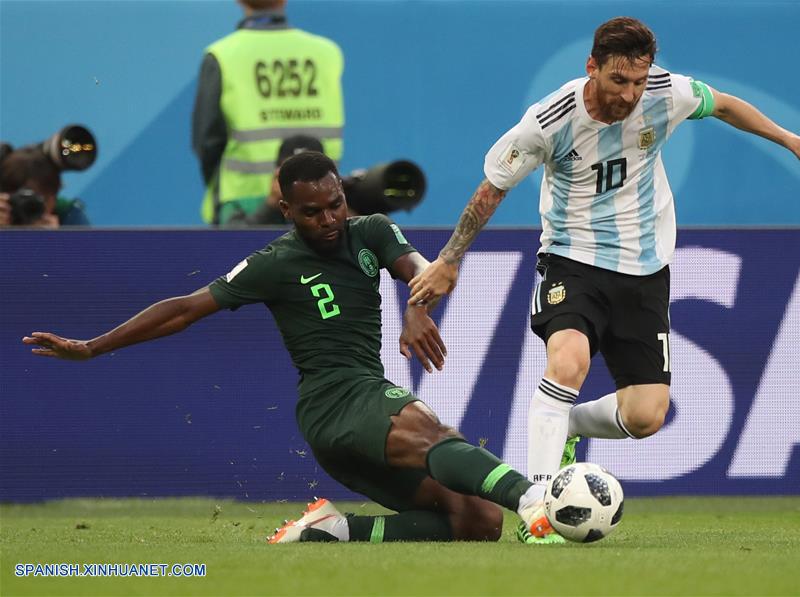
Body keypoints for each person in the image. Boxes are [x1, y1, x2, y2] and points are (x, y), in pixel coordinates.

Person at [407, 16, 800, 543]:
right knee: (568, 360)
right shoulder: (549, 120)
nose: (630, 93)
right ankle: (541, 508)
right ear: (591, 68)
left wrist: (791, 140)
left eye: (639, 81)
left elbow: (727, 105)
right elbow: (491, 190)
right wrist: (450, 259)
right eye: (619, 81)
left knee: (646, 416)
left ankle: (568, 426)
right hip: (572, 260)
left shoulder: (666, 92)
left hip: (644, 269)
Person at [23, 151, 562, 544]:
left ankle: (334, 530)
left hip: (362, 404)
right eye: (312, 212)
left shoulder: (371, 230)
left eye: (335, 204)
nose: (328, 219)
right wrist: (93, 347)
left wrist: (416, 307)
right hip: (335, 403)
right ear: (286, 210)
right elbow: (186, 308)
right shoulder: (273, 264)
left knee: (477, 523)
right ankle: (533, 497)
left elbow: (422, 272)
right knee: (432, 432)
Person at [193, 0, 344, 226]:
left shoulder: (223, 55)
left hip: (245, 205)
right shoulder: (326, 53)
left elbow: (208, 143)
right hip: (320, 200)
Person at [0, 147, 90, 228]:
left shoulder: (68, 215)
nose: (29, 209)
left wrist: (54, 241)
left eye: (39, 201)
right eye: (21, 199)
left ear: (54, 197)